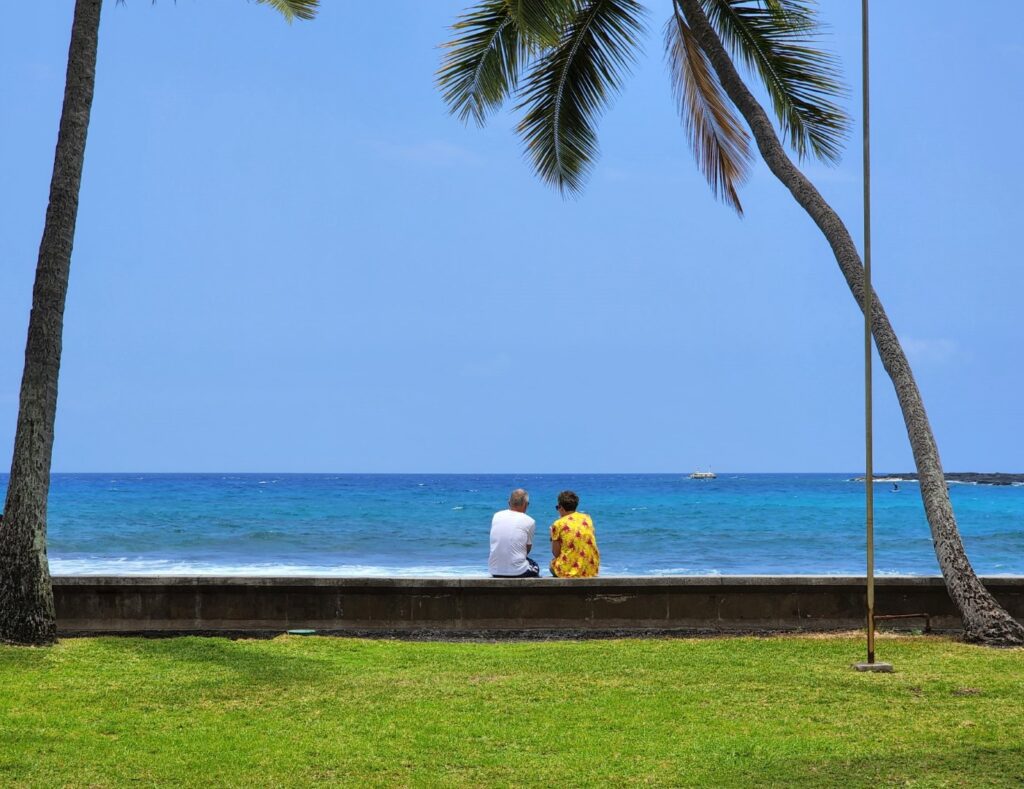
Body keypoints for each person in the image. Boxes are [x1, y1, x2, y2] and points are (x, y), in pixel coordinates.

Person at [488, 488, 539, 578]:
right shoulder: (530, 521)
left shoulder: (496, 516)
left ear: (509, 503)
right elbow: (527, 549)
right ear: (526, 504)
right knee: (535, 566)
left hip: (494, 570)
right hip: (518, 572)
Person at [549, 490, 599, 578]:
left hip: (569, 571)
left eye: (557, 507)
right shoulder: (587, 518)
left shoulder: (558, 524)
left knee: (551, 565)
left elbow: (556, 553)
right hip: (591, 569)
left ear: (561, 508)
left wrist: (552, 537)